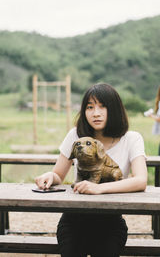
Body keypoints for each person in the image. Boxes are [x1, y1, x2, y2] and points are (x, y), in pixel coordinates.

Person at [35, 83, 147, 257]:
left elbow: (141, 180)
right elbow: (58, 174)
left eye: (103, 106)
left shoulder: (131, 138)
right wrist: (50, 175)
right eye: (90, 107)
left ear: (115, 109)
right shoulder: (75, 135)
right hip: (74, 221)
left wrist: (99, 188)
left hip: (110, 222)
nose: (96, 113)